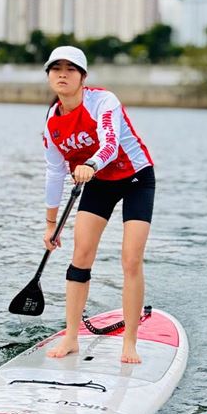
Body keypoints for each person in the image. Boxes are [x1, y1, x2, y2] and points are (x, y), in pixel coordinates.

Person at [41, 45, 155, 364]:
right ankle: (71, 338)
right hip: (99, 182)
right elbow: (54, 172)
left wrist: (90, 164)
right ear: (48, 75)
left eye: (71, 69)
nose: (63, 74)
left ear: (83, 77)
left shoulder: (104, 102)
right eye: (56, 68)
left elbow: (110, 143)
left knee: (130, 259)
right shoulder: (52, 123)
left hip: (135, 178)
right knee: (80, 256)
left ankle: (129, 342)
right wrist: (51, 224)